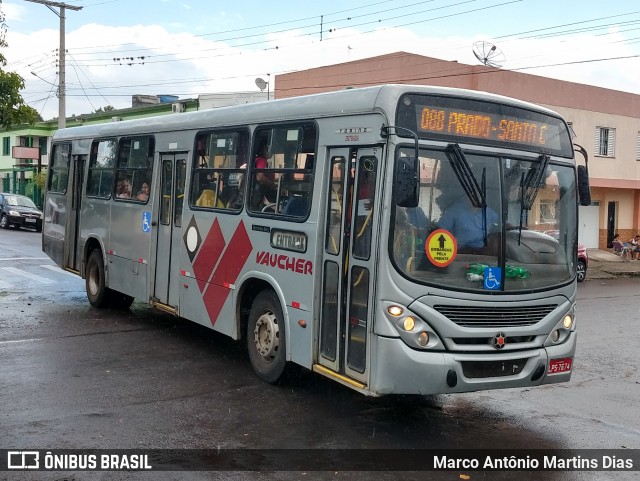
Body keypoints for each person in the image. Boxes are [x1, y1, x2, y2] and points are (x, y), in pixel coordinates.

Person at [253, 143, 277, 209]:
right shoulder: (261, 160)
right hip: (263, 194)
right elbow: (260, 177)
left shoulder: (257, 159)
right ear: (264, 149)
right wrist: (273, 185)